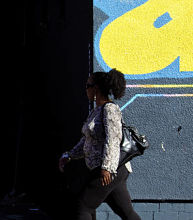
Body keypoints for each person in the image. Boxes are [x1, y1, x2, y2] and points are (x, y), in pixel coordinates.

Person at [58, 69, 140, 220]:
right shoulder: (97, 110)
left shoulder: (110, 109)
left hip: (111, 170)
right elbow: (87, 140)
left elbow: (113, 139)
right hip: (109, 170)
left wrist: (107, 168)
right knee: (126, 212)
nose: (86, 89)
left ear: (96, 88)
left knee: (82, 207)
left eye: (88, 85)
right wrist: (70, 155)